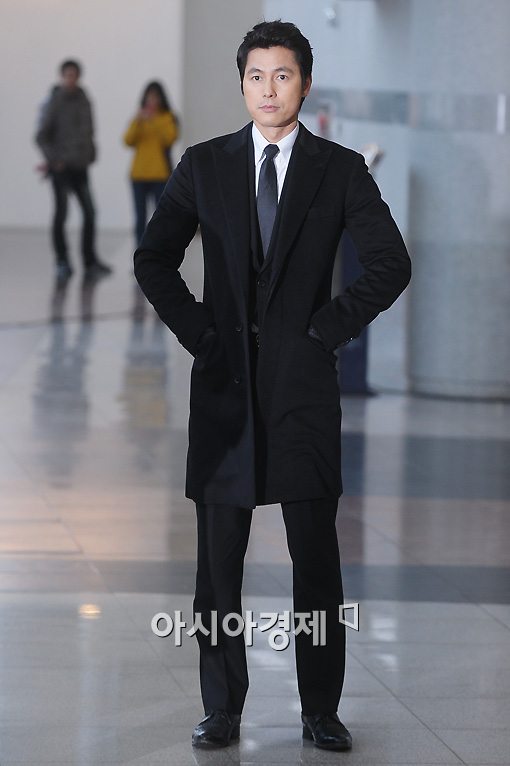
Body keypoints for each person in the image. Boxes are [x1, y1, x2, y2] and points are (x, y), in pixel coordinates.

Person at [134, 20, 411, 752]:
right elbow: (153, 258)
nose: (268, 89)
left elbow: (391, 262)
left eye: (282, 75)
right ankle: (222, 708)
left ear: (305, 84)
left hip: (303, 393)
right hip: (223, 389)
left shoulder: (339, 169)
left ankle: (320, 709)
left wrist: (326, 331)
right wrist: (201, 334)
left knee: (315, 559)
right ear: (242, 84)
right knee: (218, 565)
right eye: (256, 76)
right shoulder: (205, 165)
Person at [35, 59, 112, 280]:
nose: (71, 79)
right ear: (62, 76)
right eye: (68, 75)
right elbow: (41, 136)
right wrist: (54, 160)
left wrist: (91, 153)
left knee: (89, 212)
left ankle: (89, 261)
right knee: (61, 214)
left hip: (80, 166)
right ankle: (62, 260)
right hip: (61, 169)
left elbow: (89, 131)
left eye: (74, 75)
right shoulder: (55, 101)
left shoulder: (84, 99)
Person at [123, 81, 179, 245]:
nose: (152, 101)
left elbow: (170, 138)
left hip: (160, 174)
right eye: (149, 97)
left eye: (155, 97)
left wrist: (153, 121)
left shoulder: (167, 117)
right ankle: (140, 251)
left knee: (160, 216)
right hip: (138, 175)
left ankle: (159, 250)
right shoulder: (139, 118)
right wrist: (138, 121)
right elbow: (128, 140)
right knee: (140, 217)